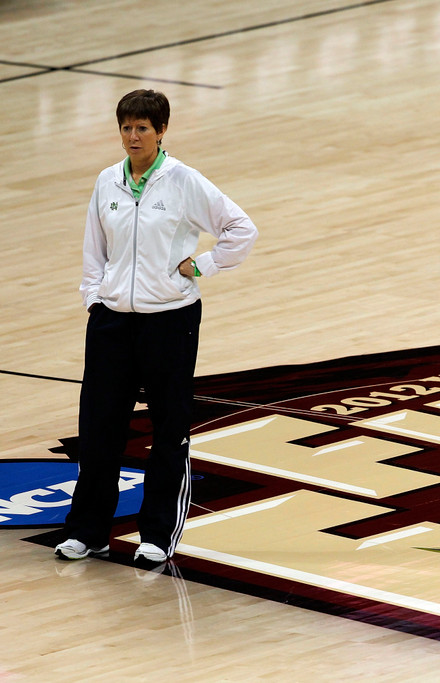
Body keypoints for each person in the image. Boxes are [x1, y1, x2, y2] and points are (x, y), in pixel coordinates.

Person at [56, 89, 258, 567]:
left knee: (168, 428)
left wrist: (202, 265)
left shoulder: (184, 181)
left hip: (170, 320)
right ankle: (88, 532)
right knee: (99, 428)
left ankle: (157, 534)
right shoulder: (108, 180)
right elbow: (94, 248)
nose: (133, 136)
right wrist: (95, 298)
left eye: (142, 128)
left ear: (161, 130)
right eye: (126, 127)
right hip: (112, 322)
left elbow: (241, 229)